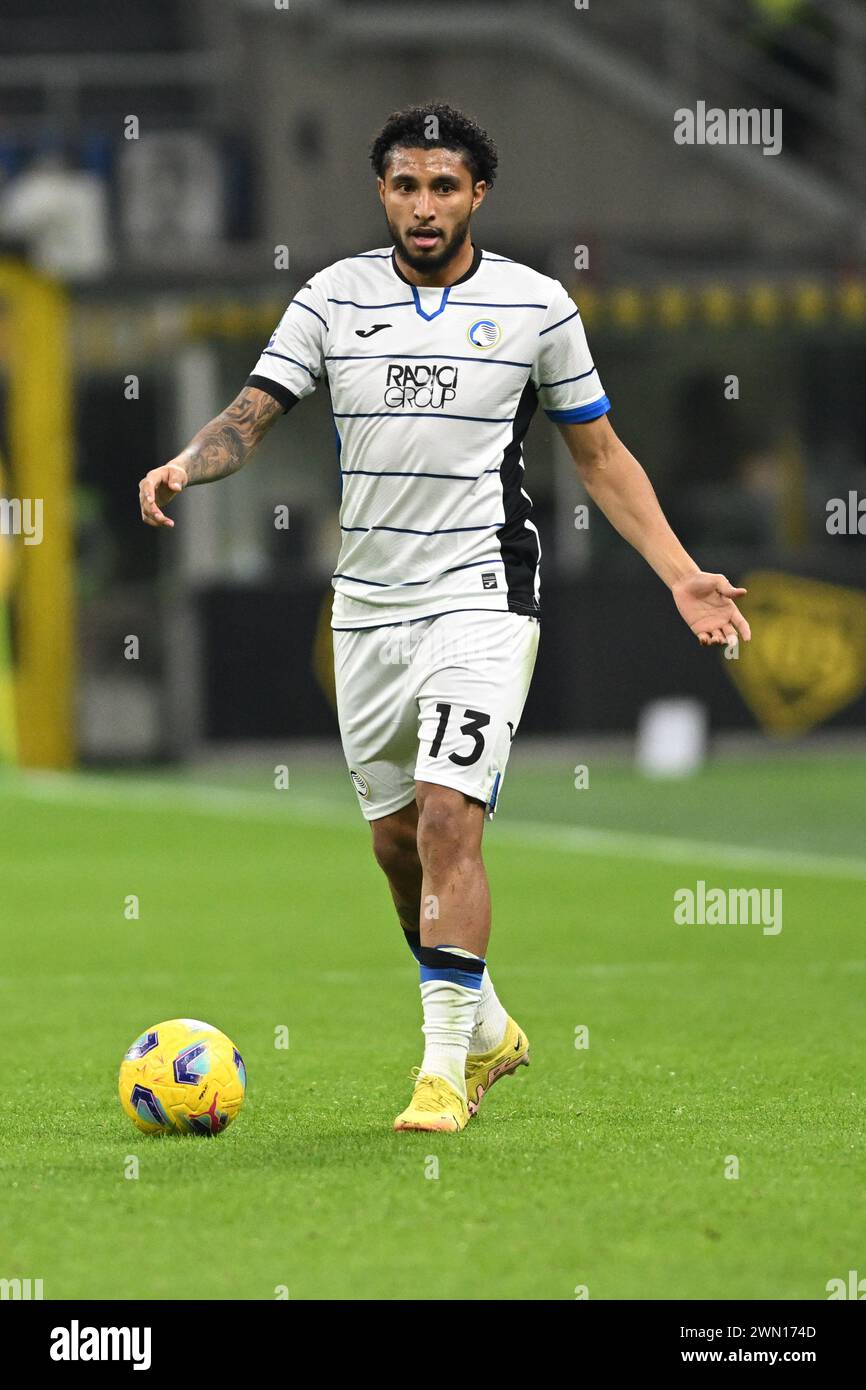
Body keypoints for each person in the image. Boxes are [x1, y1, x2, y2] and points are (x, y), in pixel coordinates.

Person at [139, 104, 751, 1133]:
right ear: (381, 193)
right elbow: (253, 411)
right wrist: (185, 464)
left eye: (443, 186)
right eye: (404, 185)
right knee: (394, 847)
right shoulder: (332, 297)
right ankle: (489, 1028)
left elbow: (597, 453)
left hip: (481, 591)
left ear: (477, 194)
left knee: (446, 812)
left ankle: (436, 1073)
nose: (423, 205)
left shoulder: (535, 306)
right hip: (367, 608)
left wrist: (680, 572)